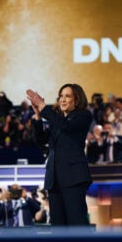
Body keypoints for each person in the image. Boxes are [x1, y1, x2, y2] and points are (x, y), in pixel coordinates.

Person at [26, 83, 93, 227]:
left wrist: (44, 107)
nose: (62, 99)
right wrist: (38, 117)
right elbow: (41, 140)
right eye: (60, 96)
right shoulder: (59, 122)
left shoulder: (83, 116)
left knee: (77, 223)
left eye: (67, 96)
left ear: (77, 99)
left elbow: (66, 127)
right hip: (54, 179)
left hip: (73, 178)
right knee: (58, 226)